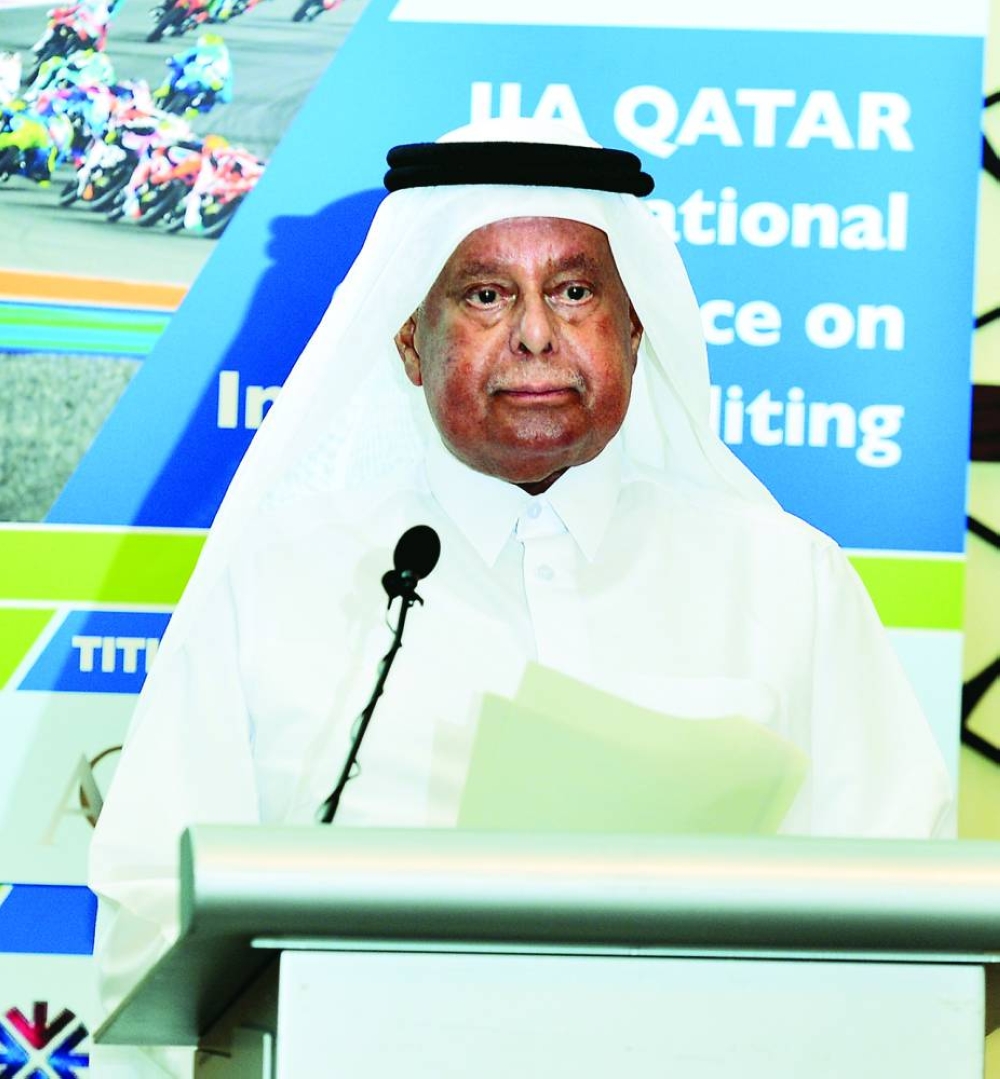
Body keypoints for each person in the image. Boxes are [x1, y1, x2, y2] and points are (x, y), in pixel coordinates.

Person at [87, 117, 953, 1076]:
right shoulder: (275, 579)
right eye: (487, 295)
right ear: (410, 341)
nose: (537, 333)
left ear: (634, 329)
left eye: (575, 292)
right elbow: (146, 931)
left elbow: (904, 928)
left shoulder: (789, 582)